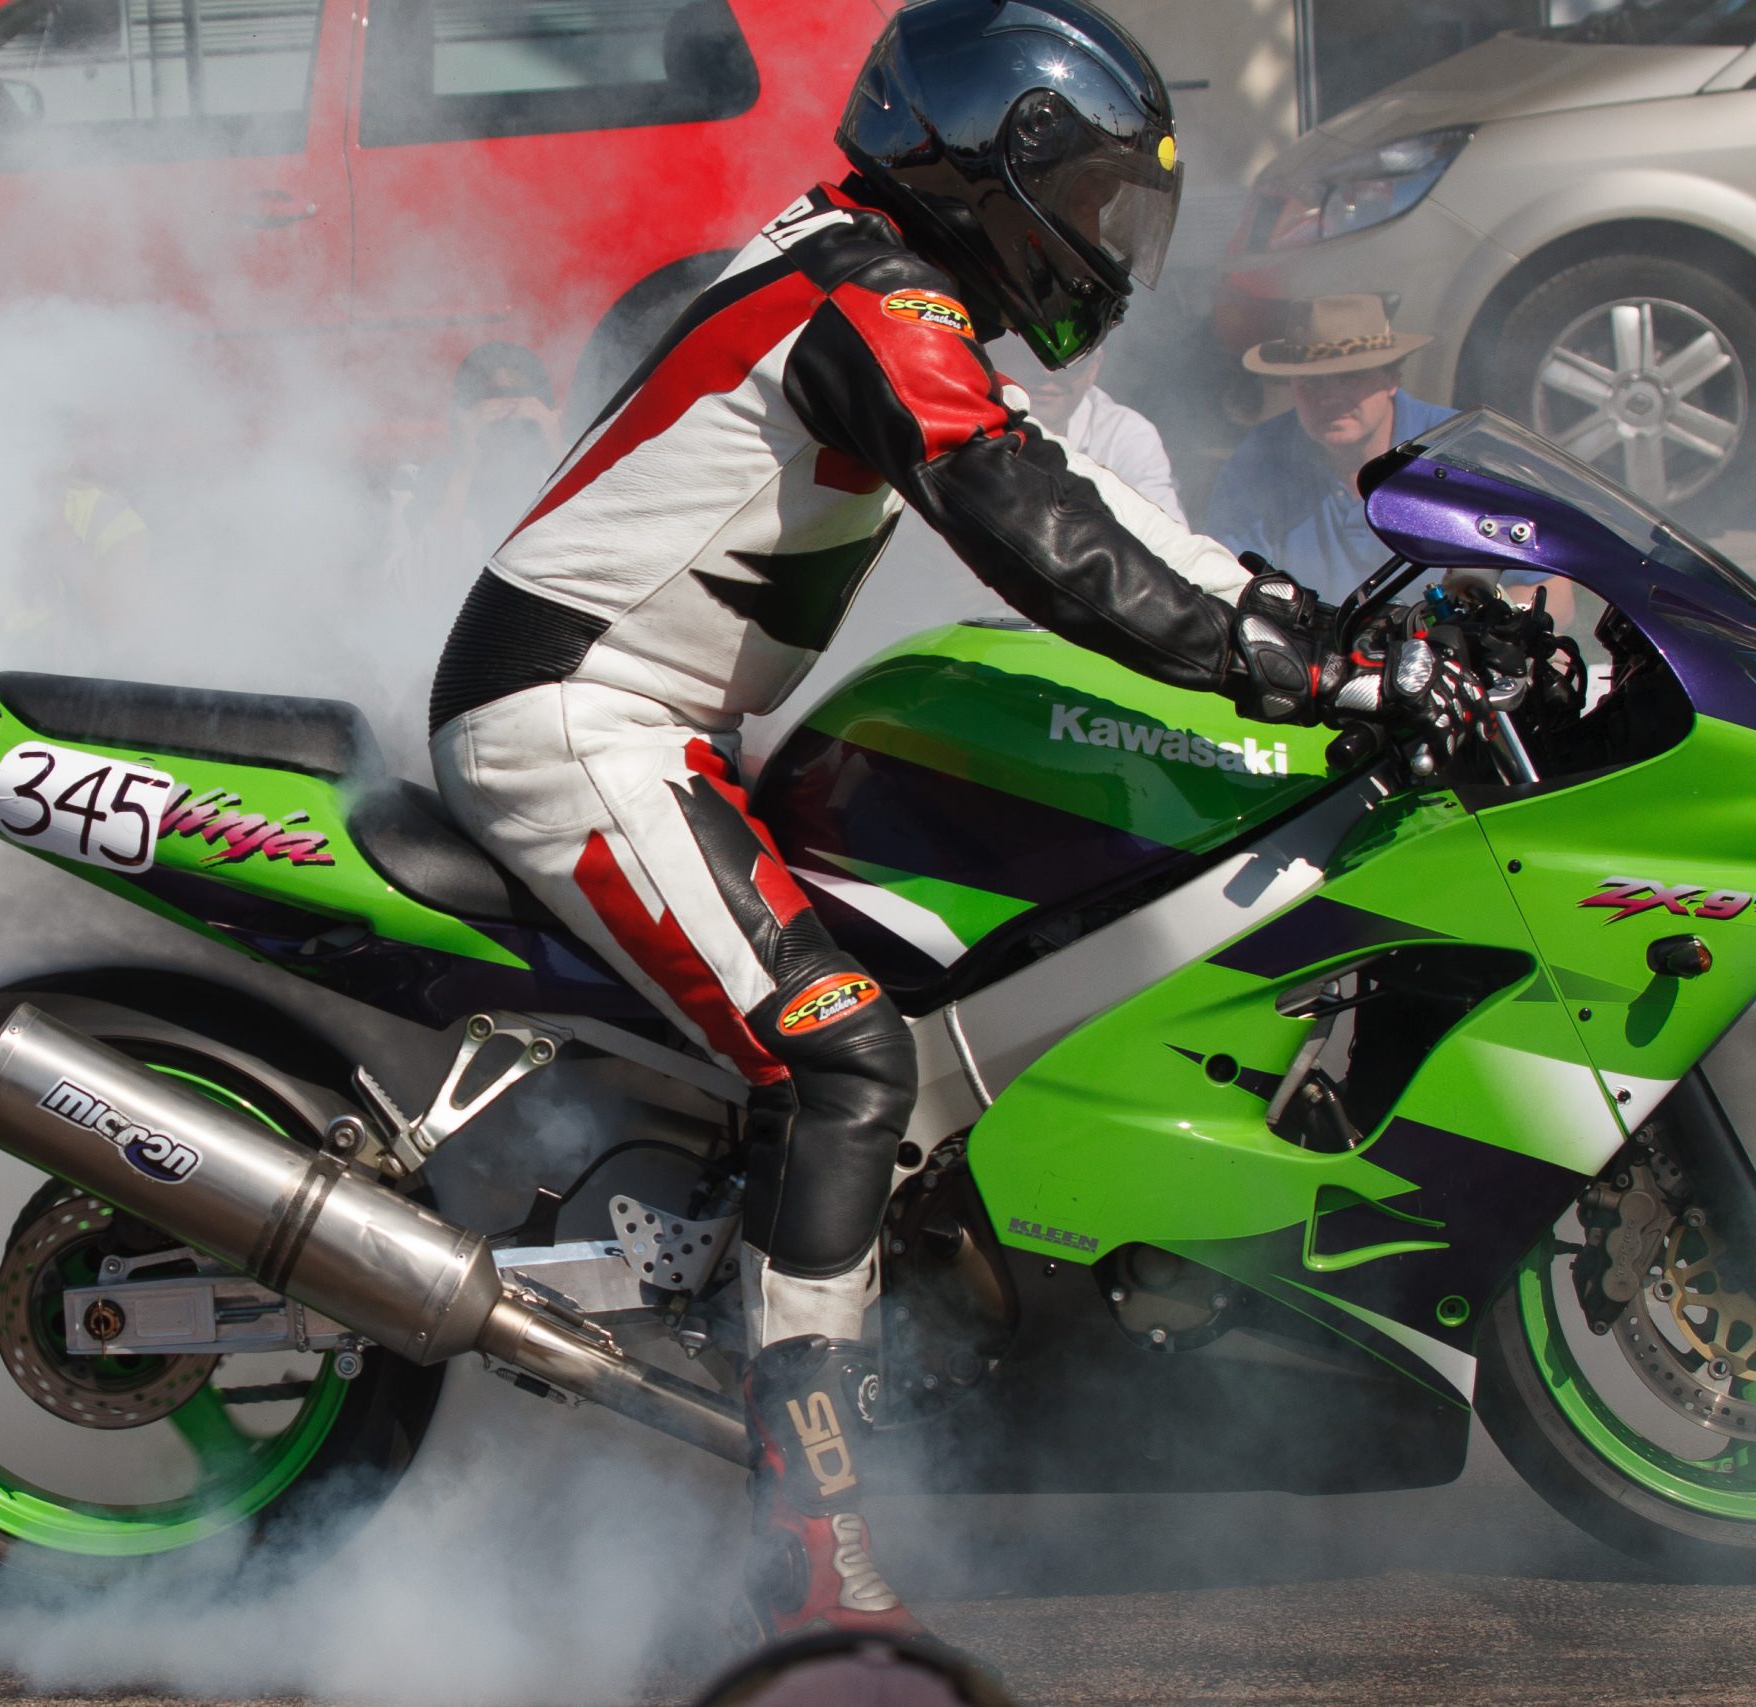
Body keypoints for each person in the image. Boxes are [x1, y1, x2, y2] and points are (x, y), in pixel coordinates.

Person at [424, 0, 1481, 1641]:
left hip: (659, 726)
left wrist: (1313, 629)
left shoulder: (865, 274)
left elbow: (1077, 490)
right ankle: (811, 1539)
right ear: (1005, 166)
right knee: (846, 1051)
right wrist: (1304, 660)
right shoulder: (872, 295)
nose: (1109, 246)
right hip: (575, 726)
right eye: (1105, 202)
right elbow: (1033, 526)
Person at [1205, 295, 1453, 601]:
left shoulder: (1453, 449)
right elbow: (1227, 580)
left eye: (1351, 377)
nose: (1330, 398)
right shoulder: (1262, 457)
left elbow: (1524, 582)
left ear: (1393, 379)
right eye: (1312, 382)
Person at [387, 344, 565, 592]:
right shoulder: (418, 485)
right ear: (458, 418)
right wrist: (463, 468)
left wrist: (558, 455)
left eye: (523, 421)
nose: (509, 434)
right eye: (493, 418)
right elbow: (413, 593)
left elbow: (606, 574)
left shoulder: (563, 478)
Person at [989, 339, 1183, 521]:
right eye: (1035, 357)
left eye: (1071, 361)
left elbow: (1171, 541)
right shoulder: (974, 421)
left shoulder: (1128, 435)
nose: (1049, 373)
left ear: (1094, 368)